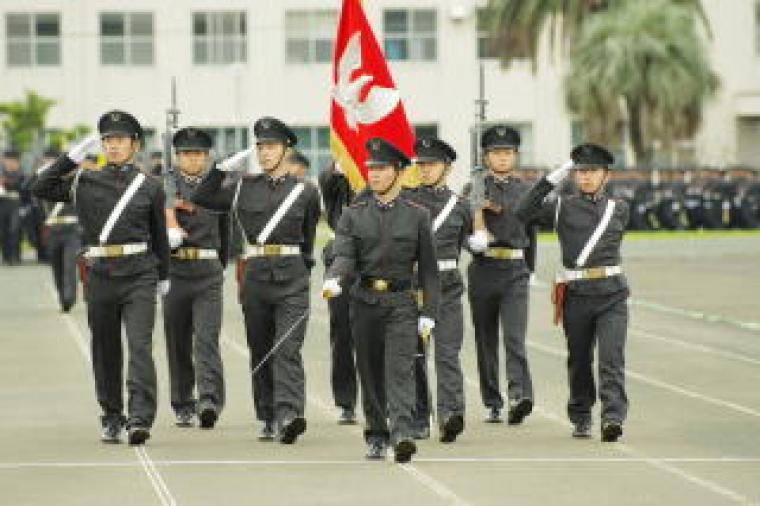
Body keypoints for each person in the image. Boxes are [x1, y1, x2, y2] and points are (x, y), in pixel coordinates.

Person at [33, 110, 170, 445]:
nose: (114, 146)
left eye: (120, 140)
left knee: (139, 347)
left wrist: (163, 275)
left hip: (139, 272)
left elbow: (159, 235)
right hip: (101, 275)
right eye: (108, 140)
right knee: (105, 349)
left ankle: (140, 418)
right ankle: (111, 415)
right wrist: (70, 159)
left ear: (134, 145)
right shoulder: (85, 180)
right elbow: (41, 186)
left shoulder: (150, 187)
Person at [193, 117, 320, 445]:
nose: (264, 153)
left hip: (292, 276)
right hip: (256, 275)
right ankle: (267, 414)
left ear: (286, 150)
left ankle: (289, 413)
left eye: (271, 147)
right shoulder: (242, 187)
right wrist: (220, 168)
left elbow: (307, 241)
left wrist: (301, 271)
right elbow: (203, 197)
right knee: (261, 347)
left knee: (287, 348)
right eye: (260, 147)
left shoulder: (306, 192)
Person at [322, 137, 440, 463]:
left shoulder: (418, 216)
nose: (373, 174)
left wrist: (429, 311)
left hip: (401, 303)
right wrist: (335, 278)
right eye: (370, 168)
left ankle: (402, 433)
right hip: (364, 301)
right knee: (371, 372)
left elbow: (429, 270)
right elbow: (344, 254)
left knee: (400, 369)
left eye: (381, 168)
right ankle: (376, 433)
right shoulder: (353, 215)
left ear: (398, 172)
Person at [516, 143, 629, 442]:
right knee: (579, 359)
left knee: (611, 358)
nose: (587, 177)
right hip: (576, 295)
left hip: (612, 294)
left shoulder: (619, 208)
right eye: (581, 171)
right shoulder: (561, 206)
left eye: (593, 172)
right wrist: (551, 180)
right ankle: (581, 415)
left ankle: (612, 417)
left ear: (606, 175)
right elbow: (521, 212)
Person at [402, 137, 471, 443]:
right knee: (415, 355)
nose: (425, 169)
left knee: (447, 353)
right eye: (422, 165)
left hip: (448, 287)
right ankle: (419, 416)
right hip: (414, 287)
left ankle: (450, 414)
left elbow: (461, 243)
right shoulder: (406, 200)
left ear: (448, 168)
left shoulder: (461, 206)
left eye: (432, 164)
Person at [466, 125, 535, 425]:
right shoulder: (474, 189)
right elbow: (460, 226)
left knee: (515, 337)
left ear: (516, 156)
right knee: (485, 339)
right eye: (496, 152)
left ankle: (519, 394)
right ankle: (493, 400)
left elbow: (531, 230)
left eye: (507, 152)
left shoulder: (526, 191)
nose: (502, 158)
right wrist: (472, 243)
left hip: (515, 270)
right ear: (486, 156)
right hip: (484, 268)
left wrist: (530, 269)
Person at [162, 127, 228, 429]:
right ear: (177, 157)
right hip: (174, 271)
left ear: (207, 156)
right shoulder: (163, 187)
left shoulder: (218, 186)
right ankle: (182, 402)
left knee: (206, 338)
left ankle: (209, 400)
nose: (193, 159)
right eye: (187, 154)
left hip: (207, 272)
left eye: (199, 154)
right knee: (177, 341)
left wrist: (219, 264)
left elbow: (227, 233)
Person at [318, 160, 358, 425]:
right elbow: (325, 180)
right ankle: (346, 402)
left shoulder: (386, 175)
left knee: (378, 339)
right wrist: (340, 166)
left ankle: (385, 399)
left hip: (379, 262)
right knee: (342, 335)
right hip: (341, 263)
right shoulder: (339, 181)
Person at [36, 149, 82, 312]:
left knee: (70, 265)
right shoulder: (45, 183)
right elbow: (30, 189)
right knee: (57, 266)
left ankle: (69, 297)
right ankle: (63, 296)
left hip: (72, 230)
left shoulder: (75, 182)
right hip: (53, 230)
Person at [0, 149, 26, 265]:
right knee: (3, 230)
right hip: (2, 203)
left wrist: (6, 182)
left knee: (14, 230)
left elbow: (22, 188)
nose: (8, 163)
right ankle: (6, 256)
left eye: (11, 160)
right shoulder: (2, 173)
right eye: (6, 160)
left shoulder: (21, 173)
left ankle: (15, 256)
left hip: (16, 203)